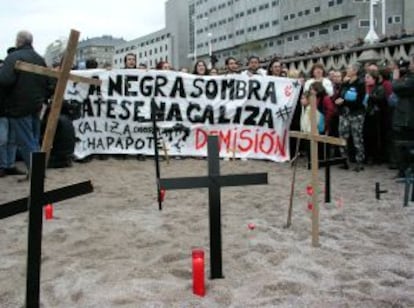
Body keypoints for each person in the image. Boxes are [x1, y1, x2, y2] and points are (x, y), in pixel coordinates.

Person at [0, 31, 51, 178]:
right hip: (36, 105)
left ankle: (36, 175)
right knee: (34, 140)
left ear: (19, 41)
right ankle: (37, 172)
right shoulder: (40, 59)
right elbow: (49, 83)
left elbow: (4, 80)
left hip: (18, 106)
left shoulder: (13, 57)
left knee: (25, 141)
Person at [335, 62, 366, 172]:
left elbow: (359, 101)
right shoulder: (345, 83)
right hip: (344, 114)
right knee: (343, 137)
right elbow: (339, 96)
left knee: (357, 138)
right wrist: (338, 100)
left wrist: (344, 101)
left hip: (356, 114)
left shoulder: (360, 84)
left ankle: (359, 162)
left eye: (349, 68)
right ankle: (344, 161)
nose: (347, 70)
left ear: (355, 71)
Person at [391, 54, 414, 177]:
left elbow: (396, 87)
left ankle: (406, 170)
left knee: (404, 144)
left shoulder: (411, 80)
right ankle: (403, 169)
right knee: (401, 144)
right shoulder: (409, 76)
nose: (410, 65)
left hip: (408, 117)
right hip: (404, 115)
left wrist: (395, 77)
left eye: (411, 63)